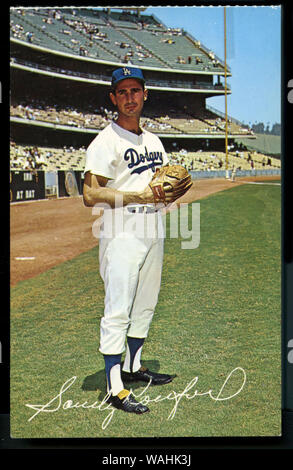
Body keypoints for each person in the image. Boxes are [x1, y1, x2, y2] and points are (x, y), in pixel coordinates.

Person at [83, 67, 177, 415]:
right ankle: (115, 387)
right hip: (122, 231)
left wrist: (170, 191)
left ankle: (134, 367)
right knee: (118, 307)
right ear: (113, 98)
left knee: (146, 302)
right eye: (121, 92)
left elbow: (163, 184)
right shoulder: (105, 141)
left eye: (134, 90)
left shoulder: (154, 142)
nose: (129, 97)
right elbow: (90, 194)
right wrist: (137, 196)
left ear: (145, 94)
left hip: (154, 228)